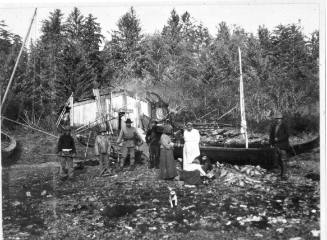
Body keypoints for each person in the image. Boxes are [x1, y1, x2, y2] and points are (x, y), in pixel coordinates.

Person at [269, 112, 290, 179]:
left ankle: (284, 175)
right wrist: (271, 143)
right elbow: (271, 136)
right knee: (277, 160)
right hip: (276, 146)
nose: (278, 120)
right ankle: (280, 173)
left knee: (283, 160)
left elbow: (287, 135)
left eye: (279, 119)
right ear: (275, 119)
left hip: (283, 146)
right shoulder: (273, 126)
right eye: (277, 119)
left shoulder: (285, 126)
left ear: (282, 119)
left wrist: (279, 139)